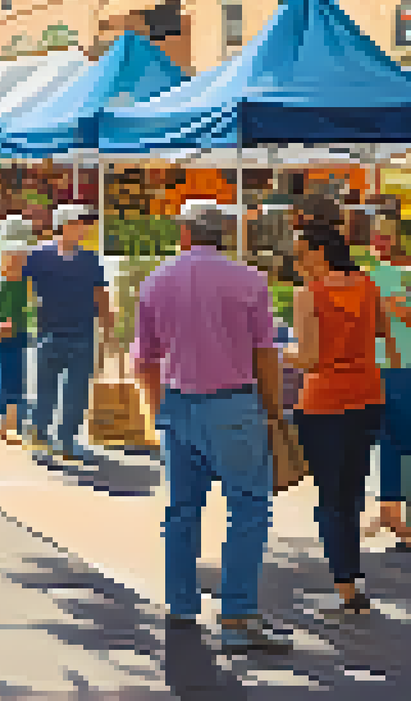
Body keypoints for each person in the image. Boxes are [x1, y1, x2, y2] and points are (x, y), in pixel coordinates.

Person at [132, 203, 289, 651]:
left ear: (184, 233)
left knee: (182, 510)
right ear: (223, 234)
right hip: (235, 405)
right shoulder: (249, 279)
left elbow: (144, 360)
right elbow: (265, 353)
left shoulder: (157, 280)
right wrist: (273, 411)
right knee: (248, 508)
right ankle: (237, 615)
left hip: (178, 404)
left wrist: (156, 413)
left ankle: (181, 604)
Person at [289, 223, 387, 614]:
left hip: (324, 402)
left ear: (320, 252)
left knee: (330, 498)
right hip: (367, 396)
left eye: (300, 253)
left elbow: (310, 359)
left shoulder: (308, 295)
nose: (295, 261)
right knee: (351, 494)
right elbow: (380, 330)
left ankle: (346, 586)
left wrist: (277, 353)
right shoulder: (367, 285)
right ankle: (352, 581)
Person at [21, 204, 112, 462]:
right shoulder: (38, 256)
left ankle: (66, 442)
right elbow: (22, 287)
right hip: (47, 334)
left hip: (83, 334)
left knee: (76, 394)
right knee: (44, 392)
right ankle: (40, 440)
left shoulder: (90, 259)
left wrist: (108, 328)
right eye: (78, 223)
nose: (83, 228)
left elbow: (100, 293)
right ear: (63, 225)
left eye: (84, 224)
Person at [364, 217, 411, 550]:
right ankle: (391, 512)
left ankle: (395, 515)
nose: (375, 240)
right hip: (383, 366)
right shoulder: (374, 275)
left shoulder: (390, 276)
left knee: (397, 439)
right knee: (389, 440)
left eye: (381, 235)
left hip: (398, 367)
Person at [0, 240, 33, 444]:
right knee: (4, 379)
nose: (16, 266)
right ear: (2, 263)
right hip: (2, 340)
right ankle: (1, 420)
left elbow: (31, 310)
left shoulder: (25, 285)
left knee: (18, 380)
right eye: (11, 262)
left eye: (20, 261)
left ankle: (15, 423)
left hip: (20, 337)